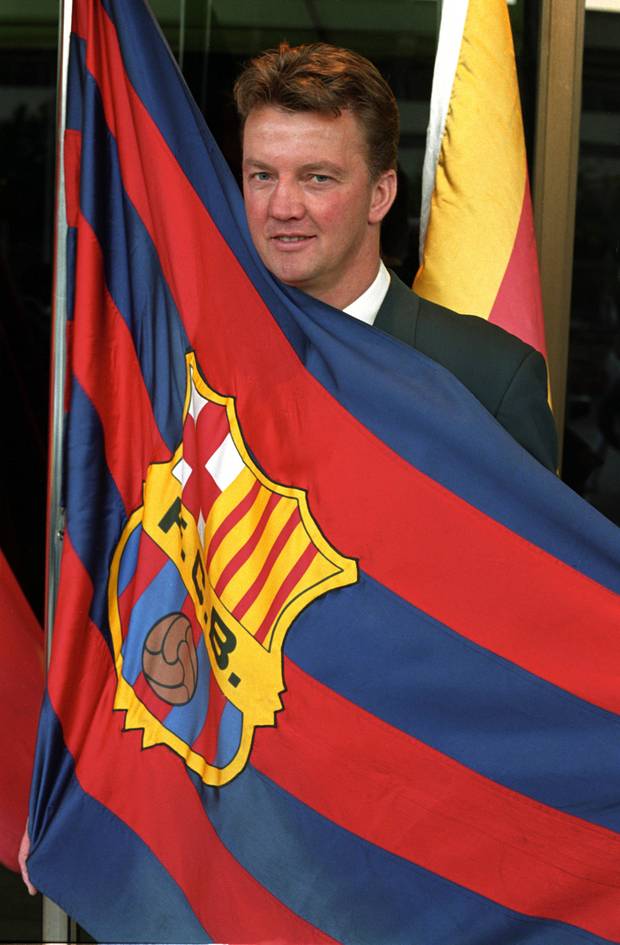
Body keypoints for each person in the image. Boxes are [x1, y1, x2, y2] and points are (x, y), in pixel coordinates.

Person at [234, 42, 558, 471]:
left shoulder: (490, 379)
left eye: (317, 178)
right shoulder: (201, 357)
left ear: (380, 195)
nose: (282, 207)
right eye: (262, 176)